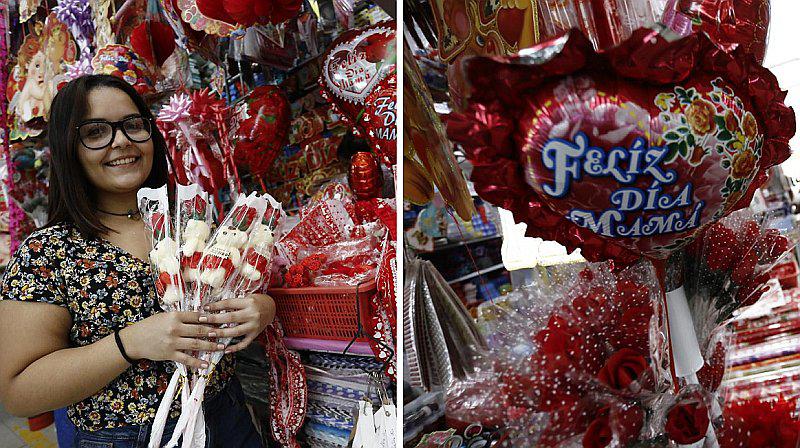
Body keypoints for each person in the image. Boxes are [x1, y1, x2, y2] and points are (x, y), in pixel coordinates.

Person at [0, 74, 274, 448]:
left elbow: (238, 294)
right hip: (124, 437)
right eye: (96, 132)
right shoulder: (46, 252)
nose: (121, 141)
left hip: (227, 415)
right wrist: (129, 343)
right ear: (69, 148)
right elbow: (20, 392)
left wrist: (261, 308)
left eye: (133, 125)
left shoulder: (191, 222)